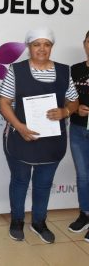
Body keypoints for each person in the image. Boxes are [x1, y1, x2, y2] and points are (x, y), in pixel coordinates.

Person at [0, 27, 78, 244]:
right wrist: (19, 126)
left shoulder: (64, 71)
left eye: (47, 44)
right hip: (20, 138)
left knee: (44, 184)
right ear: (29, 47)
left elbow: (73, 100)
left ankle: (39, 222)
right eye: (36, 44)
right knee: (20, 181)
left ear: (51, 47)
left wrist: (66, 111)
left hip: (52, 141)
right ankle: (17, 221)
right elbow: (4, 102)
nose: (42, 49)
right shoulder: (16, 70)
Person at [68, 30, 89, 242]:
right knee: (83, 176)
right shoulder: (76, 70)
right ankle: (85, 213)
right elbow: (68, 99)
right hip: (77, 129)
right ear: (84, 44)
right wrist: (76, 109)